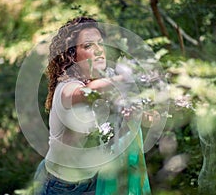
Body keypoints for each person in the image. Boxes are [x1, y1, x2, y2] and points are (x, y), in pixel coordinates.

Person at [33, 16, 151, 195]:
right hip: (60, 186)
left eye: (100, 43)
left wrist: (130, 122)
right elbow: (85, 93)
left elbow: (107, 139)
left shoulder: (104, 82)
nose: (98, 51)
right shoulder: (66, 87)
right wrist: (127, 78)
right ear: (73, 55)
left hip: (95, 181)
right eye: (88, 46)